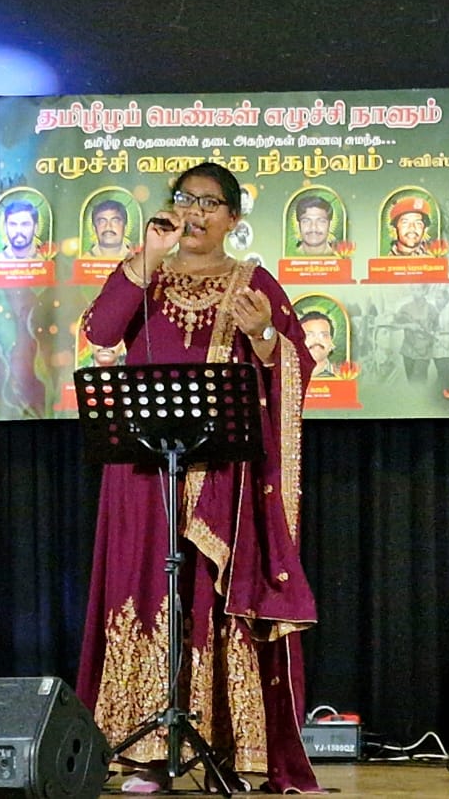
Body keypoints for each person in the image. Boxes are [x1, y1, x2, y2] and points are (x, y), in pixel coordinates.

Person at [78, 162, 321, 793]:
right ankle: (145, 755)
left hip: (221, 476)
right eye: (186, 200)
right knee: (146, 591)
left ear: (233, 219)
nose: (195, 212)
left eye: (211, 204)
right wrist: (146, 257)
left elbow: (295, 364)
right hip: (143, 473)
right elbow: (100, 330)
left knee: (210, 597)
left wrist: (262, 333)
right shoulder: (145, 275)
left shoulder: (253, 283)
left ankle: (227, 750)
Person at [299, 310, 339, 378]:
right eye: (309, 335)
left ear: (331, 343)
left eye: (324, 335)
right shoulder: (285, 375)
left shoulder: (341, 375)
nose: (317, 340)